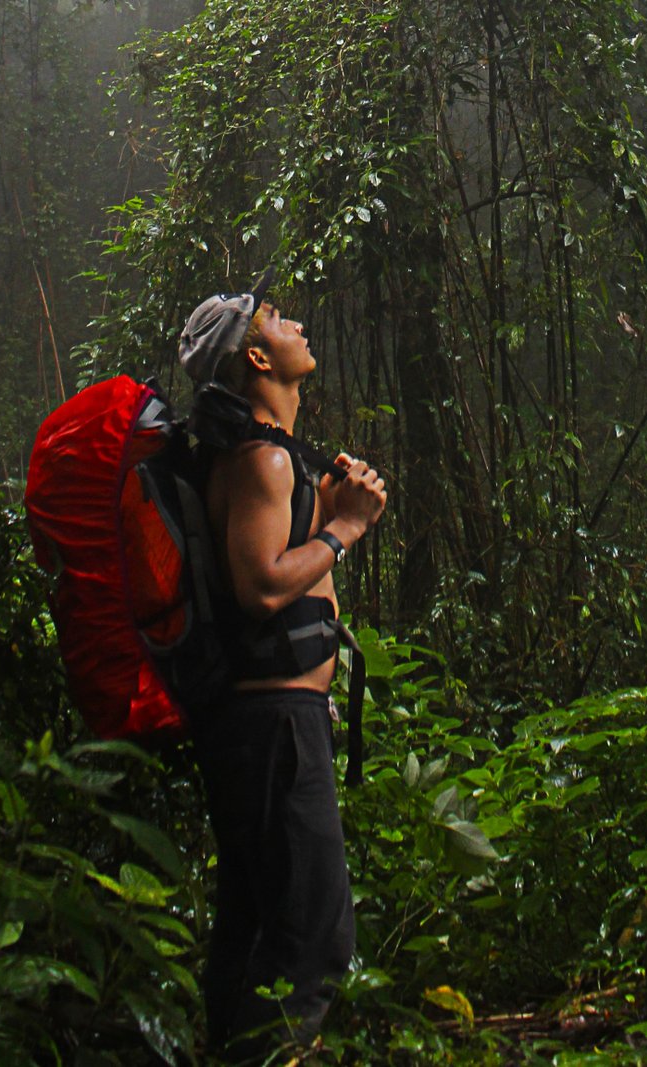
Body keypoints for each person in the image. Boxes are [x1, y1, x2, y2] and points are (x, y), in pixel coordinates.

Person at [176, 271, 387, 1061]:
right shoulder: (261, 462)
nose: (292, 321)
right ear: (257, 359)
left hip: (261, 725)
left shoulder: (266, 458)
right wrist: (345, 528)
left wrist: (327, 509)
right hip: (275, 729)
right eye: (274, 318)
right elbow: (261, 585)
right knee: (313, 935)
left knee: (252, 924)